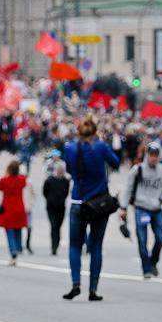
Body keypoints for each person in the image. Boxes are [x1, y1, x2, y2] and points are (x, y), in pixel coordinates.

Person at [62, 116, 120, 301]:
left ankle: (75, 283)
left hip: (79, 201)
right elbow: (116, 162)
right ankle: (93, 289)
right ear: (95, 131)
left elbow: (70, 169)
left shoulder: (70, 148)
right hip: (99, 202)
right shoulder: (100, 147)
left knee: (74, 246)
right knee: (96, 247)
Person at [119, 142, 162, 279]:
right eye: (151, 155)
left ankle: (153, 261)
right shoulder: (137, 170)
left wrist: (160, 200)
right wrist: (123, 207)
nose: (153, 158)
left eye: (156, 155)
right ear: (146, 155)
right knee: (142, 240)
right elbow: (128, 189)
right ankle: (146, 268)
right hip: (141, 208)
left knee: (161, 237)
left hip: (156, 208)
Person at [0, 160, 28, 266]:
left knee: (9, 232)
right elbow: (24, 181)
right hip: (19, 207)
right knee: (18, 229)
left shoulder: (5, 180)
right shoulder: (21, 179)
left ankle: (13, 251)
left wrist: (6, 175)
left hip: (8, 208)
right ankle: (18, 247)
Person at [42, 161, 70, 255]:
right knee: (54, 226)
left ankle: (57, 243)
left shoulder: (65, 181)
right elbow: (45, 192)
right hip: (51, 207)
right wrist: (50, 199)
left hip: (61, 207)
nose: (60, 172)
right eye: (59, 170)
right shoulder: (49, 180)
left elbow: (66, 192)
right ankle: (54, 246)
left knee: (58, 226)